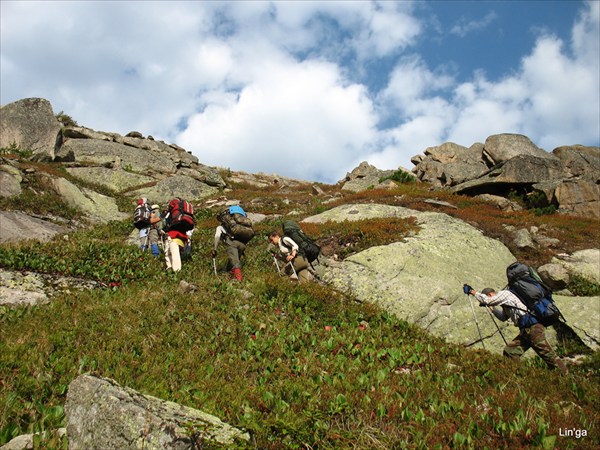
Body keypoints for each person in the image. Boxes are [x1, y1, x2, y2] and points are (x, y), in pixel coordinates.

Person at [464, 285, 567, 373]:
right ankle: (518, 374)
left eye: (488, 297)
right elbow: (503, 317)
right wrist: (492, 308)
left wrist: (472, 291)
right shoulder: (505, 304)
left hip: (533, 328)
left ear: (490, 294)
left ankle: (565, 376)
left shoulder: (506, 294)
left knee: (547, 354)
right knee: (510, 351)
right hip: (526, 330)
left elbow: (487, 300)